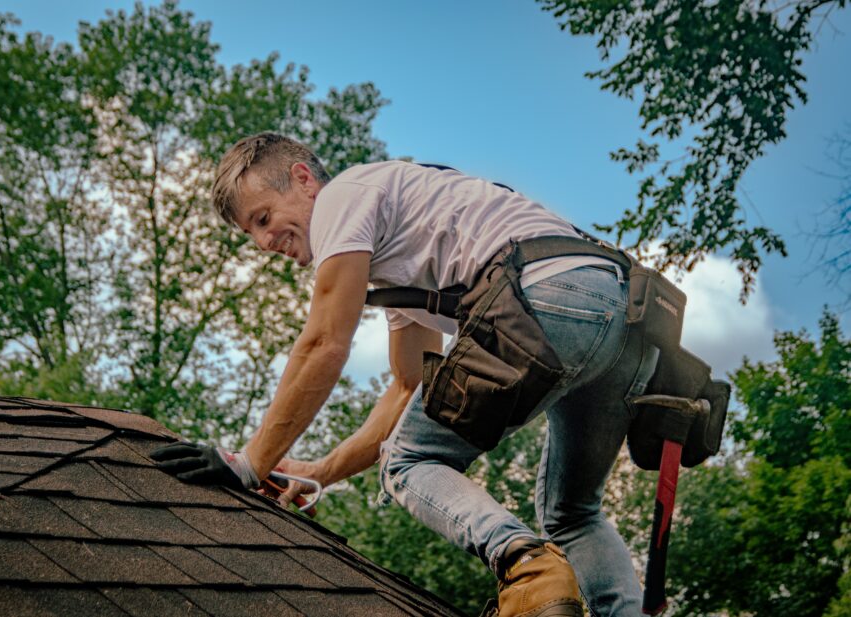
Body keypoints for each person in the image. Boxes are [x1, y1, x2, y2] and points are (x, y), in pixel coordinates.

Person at [151, 132, 658, 617]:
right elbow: (408, 387)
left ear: (304, 179)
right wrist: (320, 471)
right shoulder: (404, 248)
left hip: (545, 296)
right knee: (573, 512)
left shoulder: (342, 198)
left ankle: (528, 569)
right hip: (623, 318)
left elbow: (325, 342)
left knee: (407, 461)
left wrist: (250, 463)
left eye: (263, 218)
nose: (263, 242)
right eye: (251, 233)